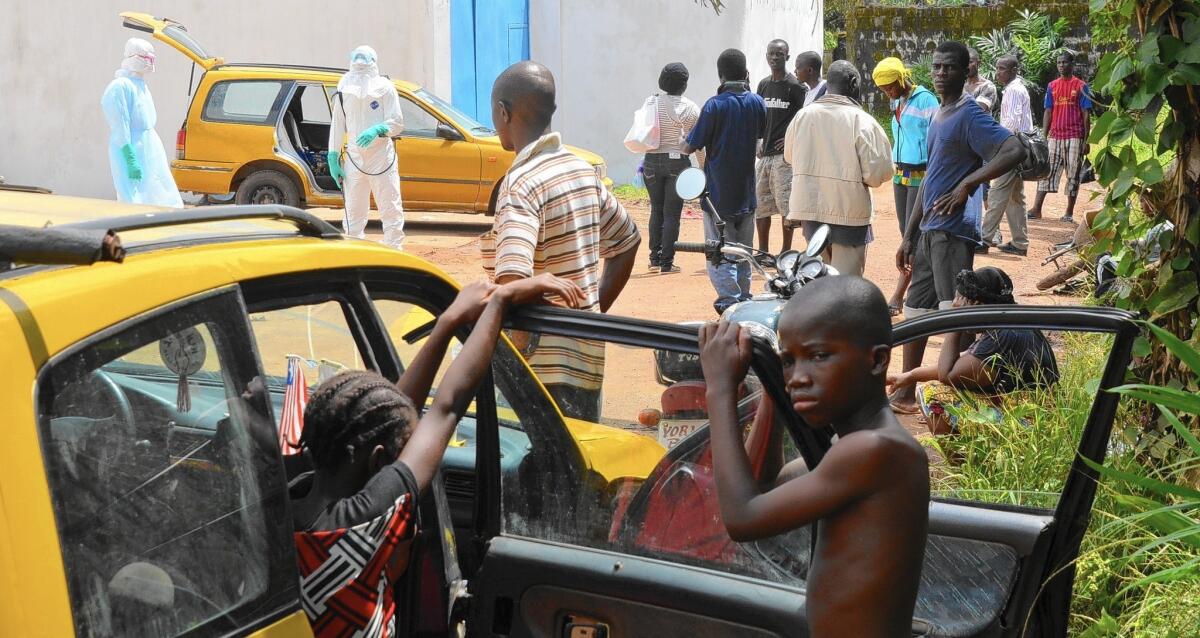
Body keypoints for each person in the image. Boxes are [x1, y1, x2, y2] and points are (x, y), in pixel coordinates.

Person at [290, 275, 583, 637]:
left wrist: (448, 323)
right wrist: (499, 302)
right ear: (379, 461)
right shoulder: (361, 521)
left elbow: (389, 413)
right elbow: (447, 407)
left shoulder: (285, 503)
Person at [698, 276, 929, 637]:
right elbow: (764, 485)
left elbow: (743, 518)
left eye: (819, 356)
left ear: (878, 360)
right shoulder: (848, 447)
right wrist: (775, 392)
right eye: (788, 362)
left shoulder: (875, 449)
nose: (798, 378)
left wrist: (720, 390)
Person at [481, 61, 641, 421]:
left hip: (537, 374)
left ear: (503, 113)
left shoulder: (521, 184)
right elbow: (627, 242)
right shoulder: (580, 170)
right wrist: (589, 313)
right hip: (586, 359)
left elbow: (512, 282)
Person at [891, 41, 1026, 414]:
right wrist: (908, 233)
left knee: (958, 315)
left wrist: (968, 184)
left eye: (948, 67)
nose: (939, 73)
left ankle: (965, 400)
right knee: (917, 312)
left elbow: (1014, 149)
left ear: (965, 71)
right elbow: (929, 178)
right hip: (929, 229)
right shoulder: (938, 114)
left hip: (953, 229)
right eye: (935, 67)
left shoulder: (969, 114)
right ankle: (904, 393)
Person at [887, 267, 1059, 435]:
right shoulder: (1010, 322)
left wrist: (956, 320)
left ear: (974, 303)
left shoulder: (1002, 336)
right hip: (1038, 418)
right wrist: (909, 376)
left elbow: (948, 374)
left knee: (933, 393)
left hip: (1030, 425)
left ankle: (963, 461)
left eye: (958, 300)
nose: (954, 304)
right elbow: (964, 361)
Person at [783, 61, 892, 277]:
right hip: (849, 217)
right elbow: (878, 174)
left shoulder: (803, 116)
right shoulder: (863, 121)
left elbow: (789, 156)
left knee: (816, 281)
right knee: (845, 287)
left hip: (810, 212)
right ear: (853, 83)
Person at [682, 49, 768, 315]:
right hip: (747, 194)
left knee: (718, 253)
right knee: (743, 252)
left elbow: (689, 146)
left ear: (720, 75)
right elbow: (759, 138)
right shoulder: (757, 102)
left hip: (717, 196)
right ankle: (744, 300)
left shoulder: (713, 105)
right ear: (746, 74)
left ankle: (729, 303)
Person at [872, 57, 938, 316]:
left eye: (890, 85)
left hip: (922, 174)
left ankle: (902, 293)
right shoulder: (896, 101)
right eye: (883, 88)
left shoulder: (926, 100)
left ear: (901, 79)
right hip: (901, 174)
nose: (888, 91)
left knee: (914, 235)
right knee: (905, 233)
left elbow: (936, 138)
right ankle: (921, 286)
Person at [328, 46, 406, 249]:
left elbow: (397, 123)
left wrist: (378, 129)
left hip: (381, 156)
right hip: (354, 158)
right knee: (353, 212)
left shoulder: (385, 87)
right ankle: (354, 254)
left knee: (390, 208)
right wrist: (333, 156)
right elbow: (337, 124)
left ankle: (394, 252)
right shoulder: (344, 87)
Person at [101, 38, 183, 208]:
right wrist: (130, 158)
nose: (149, 63)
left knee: (158, 191)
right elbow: (119, 126)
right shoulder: (120, 87)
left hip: (149, 146)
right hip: (131, 147)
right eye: (146, 58)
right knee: (133, 195)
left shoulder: (140, 85)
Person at [643, 63, 701, 274]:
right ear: (684, 84)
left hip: (650, 160)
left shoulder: (651, 102)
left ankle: (654, 259)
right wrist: (703, 168)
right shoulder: (691, 108)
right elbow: (697, 141)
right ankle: (667, 262)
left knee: (656, 209)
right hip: (677, 163)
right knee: (671, 214)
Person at [755, 39, 807, 253]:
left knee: (786, 206)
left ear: (787, 56)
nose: (774, 57)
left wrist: (789, 139)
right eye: (771, 53)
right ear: (766, 56)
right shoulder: (764, 84)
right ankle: (764, 251)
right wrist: (757, 140)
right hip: (764, 155)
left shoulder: (795, 87)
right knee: (761, 206)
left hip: (784, 158)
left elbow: (803, 120)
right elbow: (758, 117)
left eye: (779, 53)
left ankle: (785, 252)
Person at [1030, 51, 1092, 223]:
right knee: (1046, 171)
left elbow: (1086, 114)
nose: (1061, 65)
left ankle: (1069, 212)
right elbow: (1048, 111)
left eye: (1064, 62)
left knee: (1073, 173)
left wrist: (1087, 140)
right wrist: (1044, 136)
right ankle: (1036, 209)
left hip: (1074, 136)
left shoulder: (1080, 86)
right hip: (1055, 136)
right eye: (1058, 63)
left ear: (1072, 64)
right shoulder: (1052, 86)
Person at [982, 55, 1035, 256]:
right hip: (1021, 148)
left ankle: (984, 238)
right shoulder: (1018, 88)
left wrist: (1000, 147)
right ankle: (1020, 243)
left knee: (997, 193)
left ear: (1013, 70)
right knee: (1015, 196)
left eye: (1002, 68)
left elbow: (1010, 125)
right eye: (997, 68)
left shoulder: (1013, 91)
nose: (998, 73)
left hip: (1012, 148)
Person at [965, 47, 998, 114]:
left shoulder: (987, 86)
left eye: (970, 62)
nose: (966, 66)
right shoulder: (960, 86)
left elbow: (977, 111)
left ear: (979, 63)